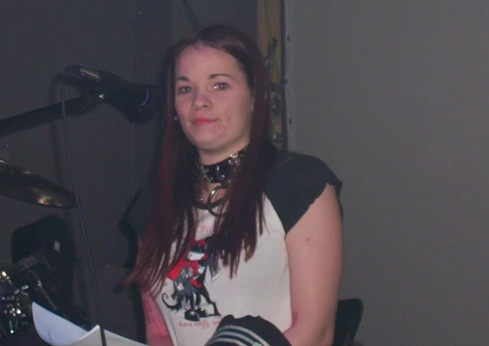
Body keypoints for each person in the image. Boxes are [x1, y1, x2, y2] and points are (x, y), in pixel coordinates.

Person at [126, 24, 343, 346]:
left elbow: (315, 334)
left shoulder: (298, 182)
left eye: (220, 85)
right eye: (185, 89)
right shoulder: (154, 201)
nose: (200, 101)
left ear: (255, 98)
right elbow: (158, 334)